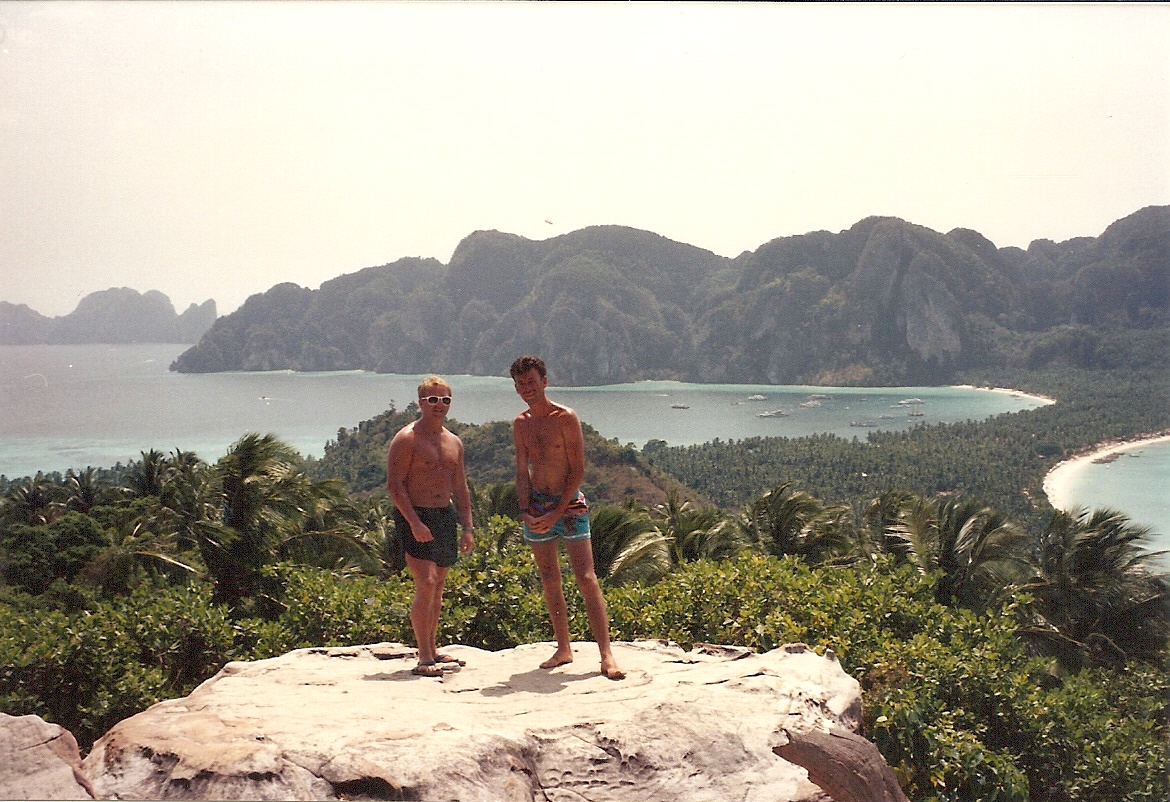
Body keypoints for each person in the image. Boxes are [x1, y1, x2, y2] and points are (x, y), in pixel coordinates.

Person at [510, 355, 626, 680]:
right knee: (549, 579)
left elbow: (577, 470)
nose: (527, 389)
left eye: (531, 382)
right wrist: (525, 511)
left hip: (569, 506)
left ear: (544, 381)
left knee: (586, 578)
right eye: (520, 384)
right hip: (536, 506)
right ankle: (563, 648)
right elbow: (522, 471)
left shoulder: (566, 418)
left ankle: (606, 655)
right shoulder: (521, 424)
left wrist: (558, 511)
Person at [387, 375, 475, 677]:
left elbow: (461, 487)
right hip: (416, 514)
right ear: (421, 402)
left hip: (444, 516)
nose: (440, 405)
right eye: (433, 400)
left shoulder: (454, 442)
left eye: (445, 400)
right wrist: (414, 523)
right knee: (425, 582)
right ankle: (423, 656)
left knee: (437, 586)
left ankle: (433, 649)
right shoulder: (407, 438)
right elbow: (395, 486)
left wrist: (467, 527)